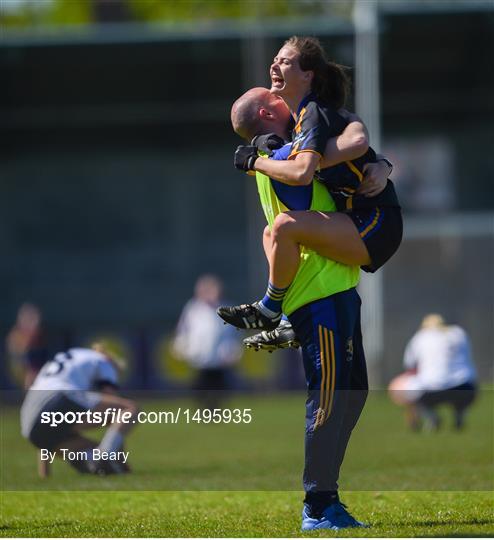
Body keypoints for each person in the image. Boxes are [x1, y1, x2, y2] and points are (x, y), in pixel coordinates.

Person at [221, 88, 370, 531]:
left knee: (355, 393)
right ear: (269, 112)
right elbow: (346, 146)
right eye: (277, 96)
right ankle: (318, 505)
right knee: (327, 396)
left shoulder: (277, 156)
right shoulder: (287, 156)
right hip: (316, 292)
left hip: (337, 286)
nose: (292, 100)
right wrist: (372, 157)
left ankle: (328, 493)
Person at [218, 36, 402, 345]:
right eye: (275, 60)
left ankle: (270, 308)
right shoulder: (295, 126)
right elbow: (344, 145)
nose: (274, 65)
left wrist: (255, 163)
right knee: (271, 233)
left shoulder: (313, 113)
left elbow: (343, 148)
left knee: (285, 226)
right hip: (360, 216)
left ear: (308, 75)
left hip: (376, 221)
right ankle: (286, 317)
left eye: (285, 61)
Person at [20, 343, 138, 477]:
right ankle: (103, 458)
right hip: (60, 398)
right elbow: (114, 409)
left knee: (93, 451)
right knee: (129, 409)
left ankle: (92, 462)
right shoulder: (104, 361)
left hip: (29, 425)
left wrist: (44, 474)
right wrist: (118, 457)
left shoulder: (72, 357)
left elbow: (42, 416)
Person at [389, 314, 477, 431]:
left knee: (398, 386)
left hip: (432, 391)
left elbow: (411, 368)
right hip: (467, 388)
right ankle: (459, 414)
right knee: (462, 383)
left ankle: (430, 415)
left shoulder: (420, 337)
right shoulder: (459, 333)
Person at [173, 274, 242, 410]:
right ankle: (201, 410)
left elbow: (235, 333)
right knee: (200, 385)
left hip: (220, 358)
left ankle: (217, 410)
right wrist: (181, 346)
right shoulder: (193, 309)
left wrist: (233, 351)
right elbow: (183, 330)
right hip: (199, 357)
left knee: (219, 386)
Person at [6, 303, 50, 389]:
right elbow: (16, 361)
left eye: (33, 318)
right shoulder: (15, 336)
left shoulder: (40, 336)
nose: (33, 322)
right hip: (19, 372)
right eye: (29, 318)